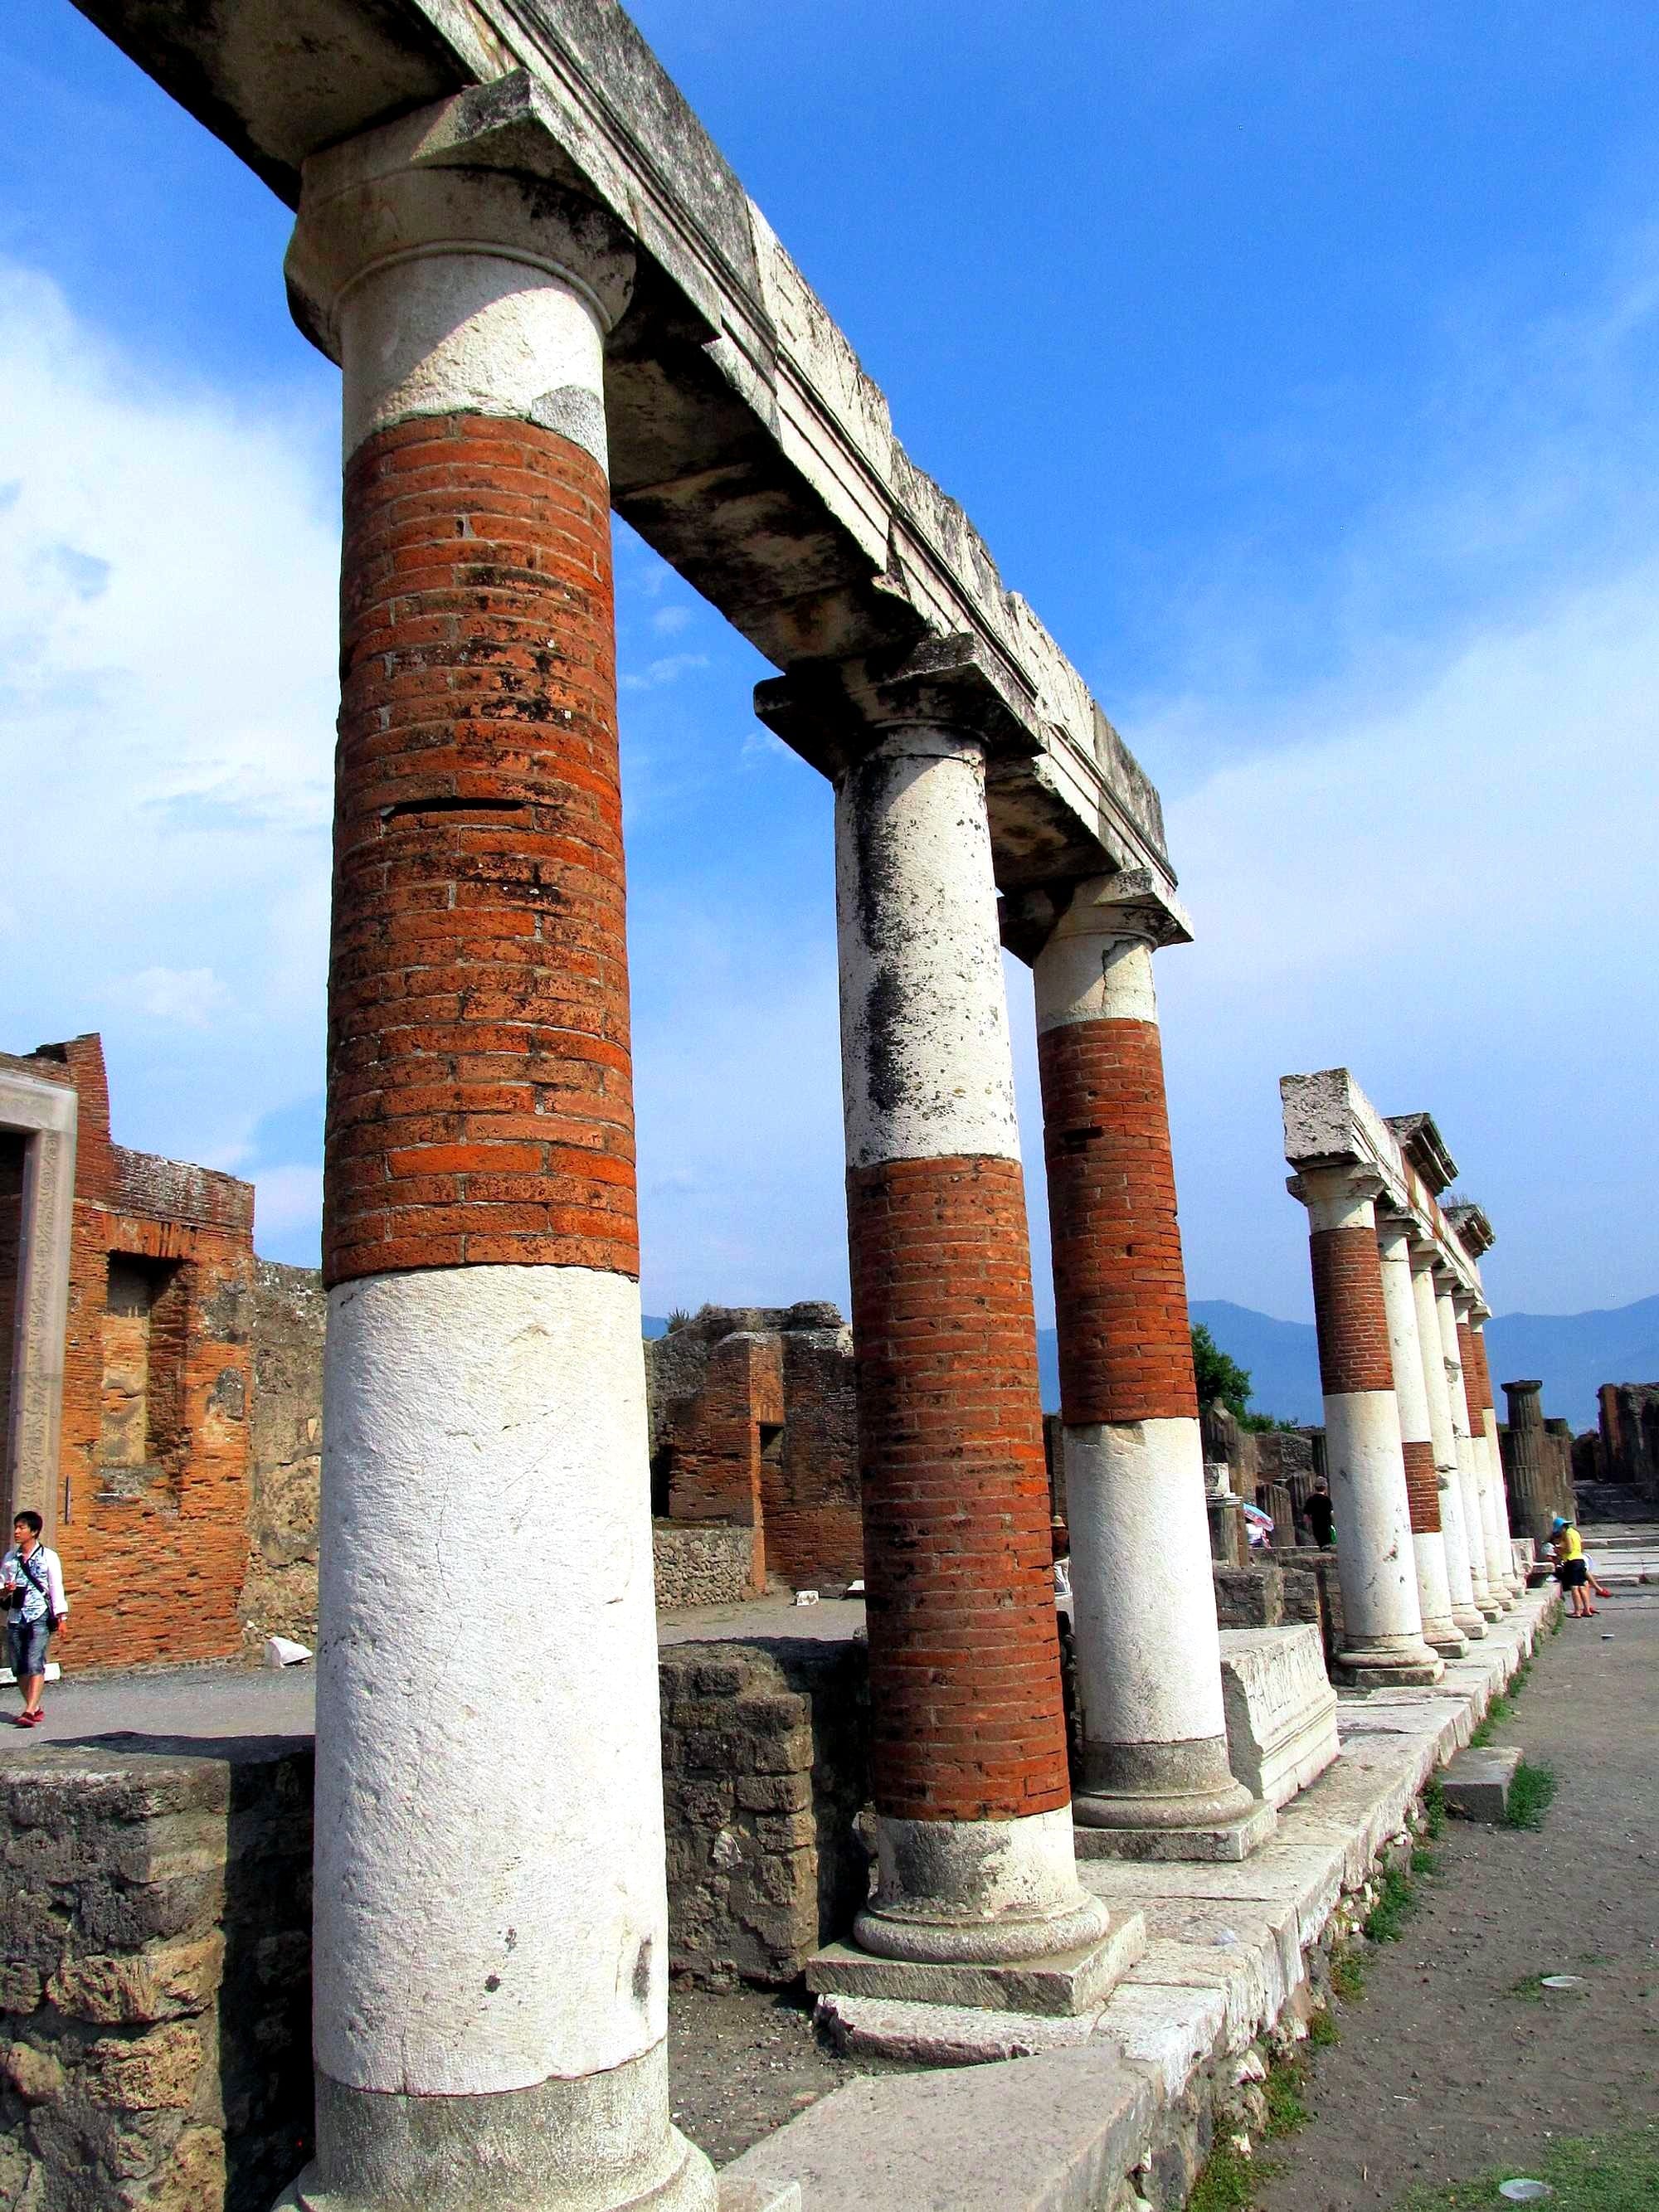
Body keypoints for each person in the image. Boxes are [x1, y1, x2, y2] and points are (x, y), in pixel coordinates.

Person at [2, 1512, 69, 1727]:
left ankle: (29, 1711)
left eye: (21, 1528)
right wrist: (6, 1590)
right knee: (18, 1666)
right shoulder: (10, 1558)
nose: (16, 1532)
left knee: (34, 1661)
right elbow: (1, 1587)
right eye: (16, 1527)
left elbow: (55, 1586)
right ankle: (34, 1706)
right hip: (16, 1614)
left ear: (34, 1531)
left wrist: (61, 1616)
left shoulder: (48, 1556)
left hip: (39, 1614)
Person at [1550, 1513, 1594, 1619]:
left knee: (1574, 1587)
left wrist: (1559, 1550)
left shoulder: (1567, 1534)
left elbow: (1569, 1549)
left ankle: (1577, 1611)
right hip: (1580, 1560)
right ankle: (1587, 1610)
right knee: (1582, 1586)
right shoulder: (1575, 1532)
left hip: (1572, 1562)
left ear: (1562, 1528)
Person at [1303, 1477, 1335, 1548]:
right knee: (1328, 1542)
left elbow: (1306, 1516)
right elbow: (1331, 1512)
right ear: (1325, 1488)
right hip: (1326, 1524)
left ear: (1315, 1488)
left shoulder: (1310, 1499)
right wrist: (1334, 1523)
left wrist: (1308, 1526)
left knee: (1320, 1542)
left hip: (1316, 1524)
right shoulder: (1327, 1499)